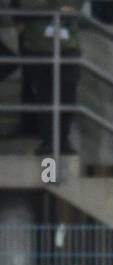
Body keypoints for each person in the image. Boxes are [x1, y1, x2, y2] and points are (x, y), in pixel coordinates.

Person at [18, 0, 80, 155]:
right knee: (45, 97)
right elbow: (27, 7)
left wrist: (48, 6)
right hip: (38, 47)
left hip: (67, 47)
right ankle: (49, 142)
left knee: (68, 96)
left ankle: (63, 140)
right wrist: (58, 7)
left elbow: (75, 5)